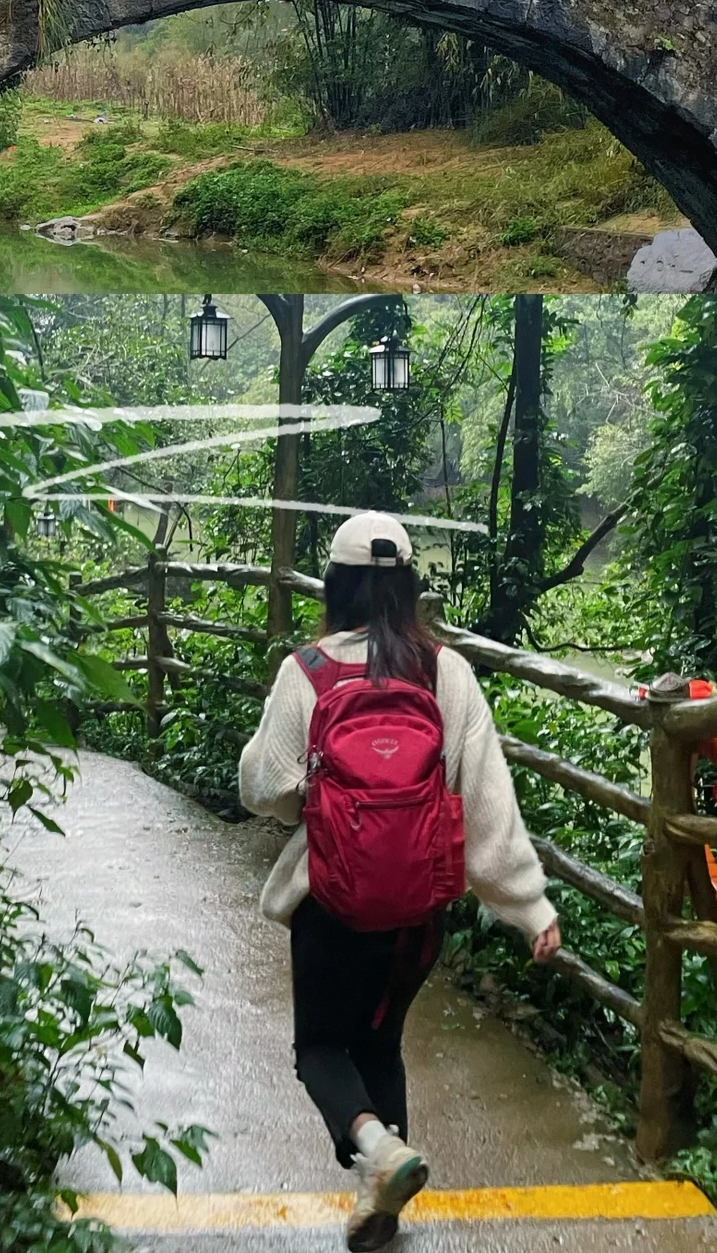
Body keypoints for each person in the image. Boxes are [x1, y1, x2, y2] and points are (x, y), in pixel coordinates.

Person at [239, 512, 561, 1252]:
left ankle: (376, 1149)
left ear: (336, 584)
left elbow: (263, 787)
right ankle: (381, 1209)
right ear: (409, 588)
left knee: (322, 1051)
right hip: (417, 914)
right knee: (381, 1048)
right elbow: (486, 802)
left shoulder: (308, 671)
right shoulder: (446, 671)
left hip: (330, 905)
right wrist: (529, 906)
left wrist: (317, 802)